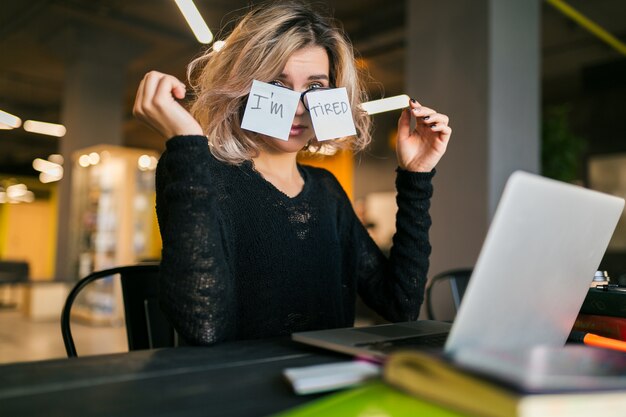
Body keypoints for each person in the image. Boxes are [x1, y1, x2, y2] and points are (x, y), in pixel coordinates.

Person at [133, 1, 451, 346]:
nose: (299, 108)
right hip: (241, 391)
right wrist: (187, 144)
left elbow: (399, 306)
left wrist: (415, 177)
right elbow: (204, 327)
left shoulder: (326, 190)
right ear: (243, 87)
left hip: (329, 381)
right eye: (277, 84)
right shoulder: (199, 172)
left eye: (315, 88)